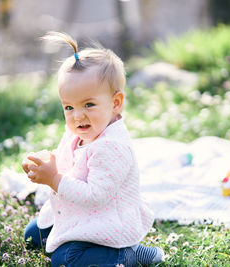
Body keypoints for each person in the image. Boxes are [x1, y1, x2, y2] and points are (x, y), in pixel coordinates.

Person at [22, 32, 163, 267]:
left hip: (107, 223)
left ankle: (127, 255)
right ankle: (119, 252)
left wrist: (54, 179)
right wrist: (44, 164)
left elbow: (95, 196)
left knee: (64, 260)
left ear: (115, 103)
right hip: (81, 216)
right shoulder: (79, 131)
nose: (78, 116)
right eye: (69, 107)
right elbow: (68, 162)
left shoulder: (111, 147)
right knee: (33, 235)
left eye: (89, 104)